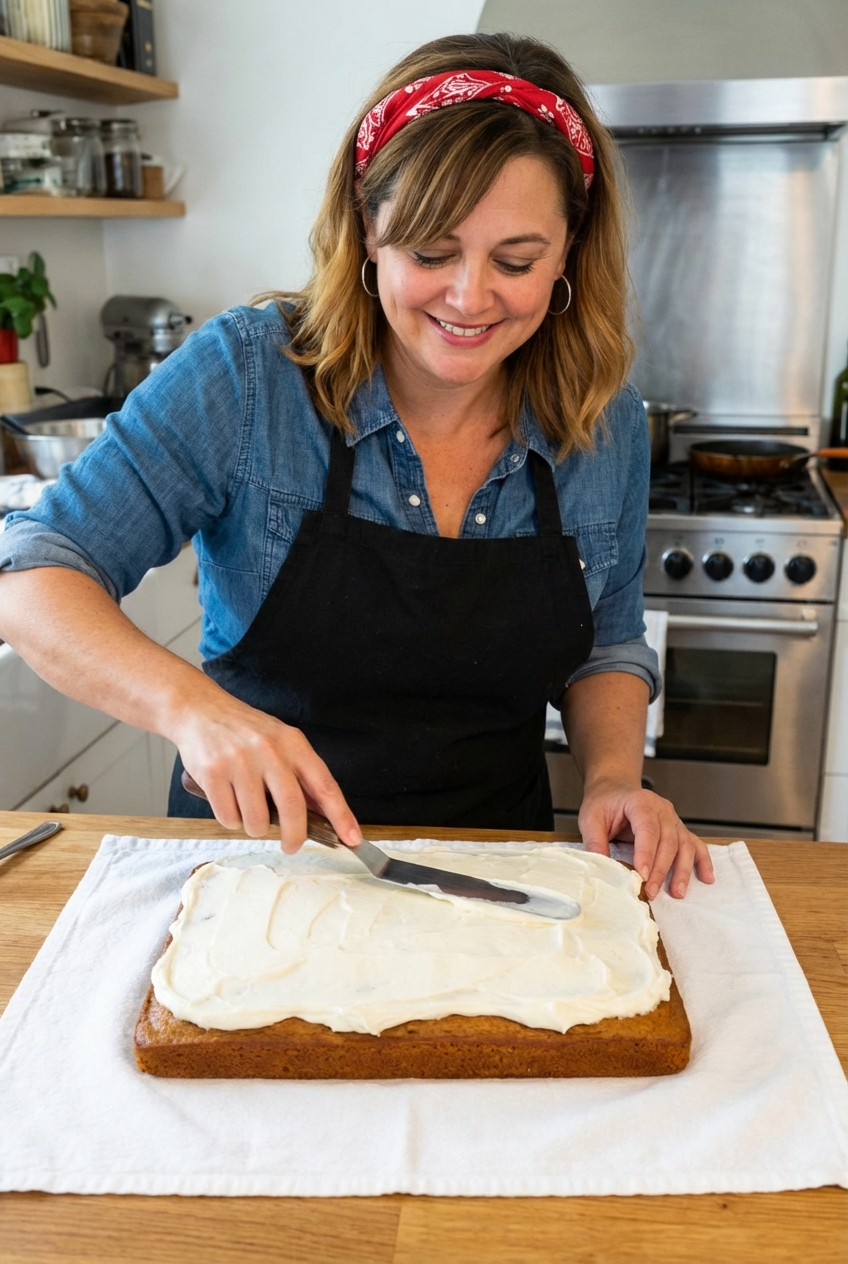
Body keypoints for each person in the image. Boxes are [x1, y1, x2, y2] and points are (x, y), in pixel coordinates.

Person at [0, 32, 713, 902]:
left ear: (570, 250)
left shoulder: (606, 423)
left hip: (489, 880)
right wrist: (195, 710)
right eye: (431, 251)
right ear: (368, 230)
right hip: (260, 874)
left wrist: (611, 779)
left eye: (517, 260)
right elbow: (33, 573)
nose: (469, 296)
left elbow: (606, 641)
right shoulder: (248, 378)